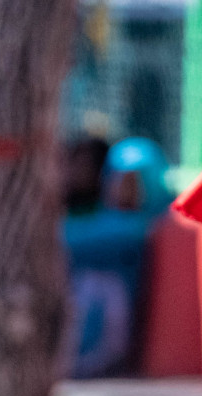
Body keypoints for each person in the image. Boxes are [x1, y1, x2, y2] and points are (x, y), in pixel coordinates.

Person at [64, 136, 173, 378]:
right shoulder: (108, 224)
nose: (123, 186)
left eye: (134, 178)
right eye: (118, 176)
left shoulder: (144, 229)